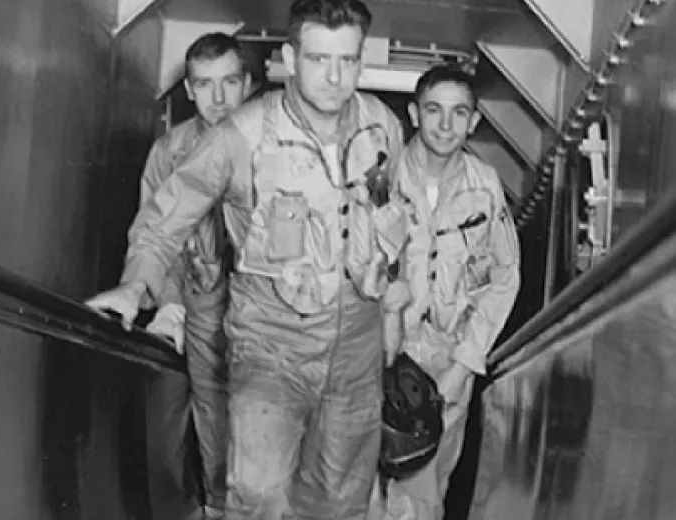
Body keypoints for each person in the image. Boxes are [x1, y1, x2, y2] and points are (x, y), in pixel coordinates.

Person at [86, 0, 405, 517]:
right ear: (290, 57)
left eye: (347, 60)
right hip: (272, 343)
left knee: (341, 498)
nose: (334, 76)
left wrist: (392, 308)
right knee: (255, 492)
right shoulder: (242, 136)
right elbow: (167, 215)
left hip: (357, 351)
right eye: (320, 59)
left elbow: (392, 217)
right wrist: (136, 284)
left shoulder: (381, 126)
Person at [372, 63, 521, 520]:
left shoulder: (485, 186)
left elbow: (504, 277)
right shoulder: (382, 177)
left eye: (459, 113)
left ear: (474, 121)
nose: (445, 124)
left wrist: (463, 364)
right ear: (414, 114)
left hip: (447, 364)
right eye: (434, 110)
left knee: (426, 496)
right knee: (363, 492)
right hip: (378, 355)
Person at [136, 33, 252, 520]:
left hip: (271, 314)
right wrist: (168, 301)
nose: (219, 98)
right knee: (215, 423)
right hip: (205, 308)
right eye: (205, 85)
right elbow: (153, 231)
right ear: (188, 88)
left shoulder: (274, 144)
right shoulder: (170, 152)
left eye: (229, 82)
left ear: (248, 84)